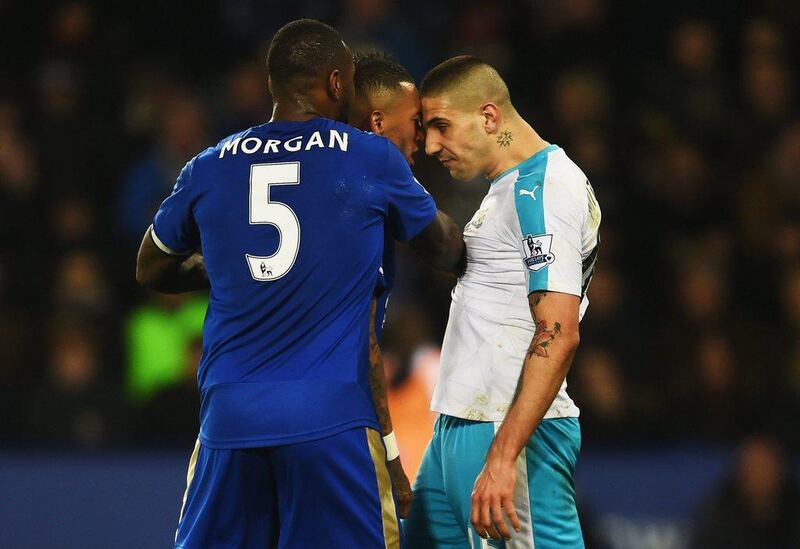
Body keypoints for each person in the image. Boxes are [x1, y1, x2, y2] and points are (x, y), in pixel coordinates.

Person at [135, 20, 463, 549]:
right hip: (329, 418)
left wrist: (224, 267)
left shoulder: (209, 164)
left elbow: (150, 268)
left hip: (230, 416)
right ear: (337, 85)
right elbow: (445, 249)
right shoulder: (367, 156)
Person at [404, 56, 601, 548]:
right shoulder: (506, 190)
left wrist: (503, 456)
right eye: (426, 130)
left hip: (506, 434)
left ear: (489, 117)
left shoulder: (546, 188)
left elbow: (558, 333)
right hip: (460, 424)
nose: (430, 146)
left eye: (441, 127)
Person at [349, 49, 426, 519]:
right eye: (416, 120)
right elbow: (362, 339)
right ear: (377, 122)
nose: (423, 136)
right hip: (336, 420)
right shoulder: (371, 175)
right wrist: (394, 463)